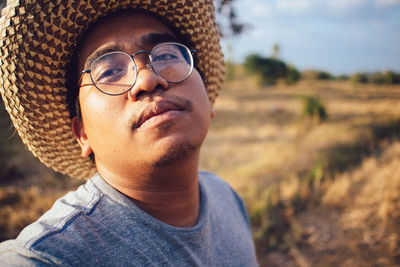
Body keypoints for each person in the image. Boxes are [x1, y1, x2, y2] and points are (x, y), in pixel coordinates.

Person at [0, 0, 258, 266]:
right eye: (109, 71)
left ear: (206, 96)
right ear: (82, 133)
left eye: (167, 55)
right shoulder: (47, 257)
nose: (148, 80)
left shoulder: (226, 197)